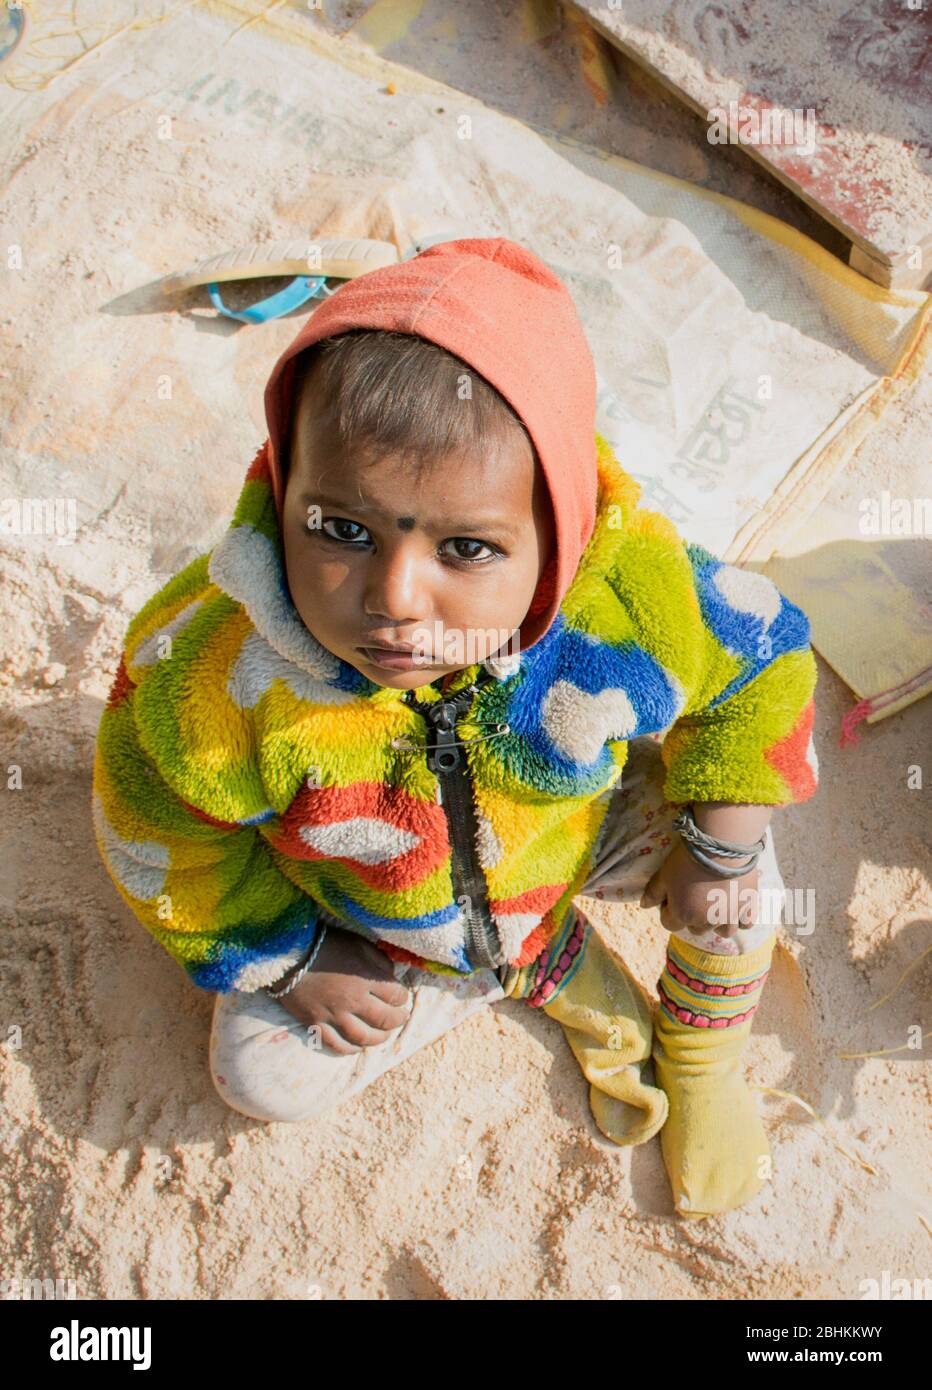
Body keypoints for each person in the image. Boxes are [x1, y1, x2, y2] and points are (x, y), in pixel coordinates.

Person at [93, 238, 818, 1220]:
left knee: (743, 883)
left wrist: (710, 845)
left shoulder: (625, 595)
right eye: (339, 529)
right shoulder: (213, 671)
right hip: (365, 900)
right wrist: (293, 956)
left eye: (466, 547)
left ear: (555, 529)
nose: (394, 600)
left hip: (571, 832)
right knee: (261, 1078)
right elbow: (154, 824)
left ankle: (695, 1049)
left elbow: (766, 657)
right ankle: (520, 963)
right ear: (280, 485)